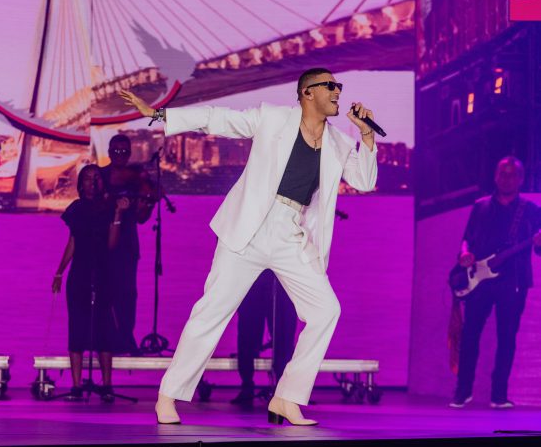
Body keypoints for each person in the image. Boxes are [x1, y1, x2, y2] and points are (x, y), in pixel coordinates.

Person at [120, 67, 378, 425]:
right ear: (307, 92)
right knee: (211, 311)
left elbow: (364, 180)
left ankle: (287, 398)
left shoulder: (337, 142)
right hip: (249, 229)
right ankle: (168, 395)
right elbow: (217, 118)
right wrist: (160, 114)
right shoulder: (273, 119)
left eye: (339, 86)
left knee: (326, 311)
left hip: (291, 232)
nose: (338, 92)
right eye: (330, 85)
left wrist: (366, 134)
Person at [450, 157, 541, 409]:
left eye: (512, 175)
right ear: (495, 176)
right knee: (470, 335)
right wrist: (465, 254)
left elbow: (538, 249)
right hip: (480, 280)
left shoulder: (531, 210)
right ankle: (463, 391)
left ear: (521, 179)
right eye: (503, 174)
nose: (507, 179)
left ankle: (498, 395)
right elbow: (466, 239)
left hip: (514, 282)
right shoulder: (480, 207)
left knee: (507, 337)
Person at [53, 164, 130, 402]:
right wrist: (59, 272)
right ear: (81, 184)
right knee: (77, 327)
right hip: (79, 274)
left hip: (103, 273)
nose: (92, 182)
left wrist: (118, 215)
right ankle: (76, 385)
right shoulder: (76, 209)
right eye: (87, 178)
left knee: (103, 329)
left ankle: (107, 384)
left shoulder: (109, 208)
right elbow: (72, 242)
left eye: (96, 177)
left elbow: (111, 244)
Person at [100, 135, 155, 355]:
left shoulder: (136, 181)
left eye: (124, 152)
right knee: (103, 293)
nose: (120, 155)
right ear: (109, 152)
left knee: (128, 295)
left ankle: (125, 338)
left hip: (127, 246)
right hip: (101, 243)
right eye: (116, 151)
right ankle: (104, 339)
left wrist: (147, 204)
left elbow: (142, 218)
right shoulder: (101, 176)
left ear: (130, 154)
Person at [232, 269, 297, 405]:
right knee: (247, 332)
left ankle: (283, 388)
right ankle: (247, 385)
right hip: (254, 276)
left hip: (282, 278)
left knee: (283, 334)